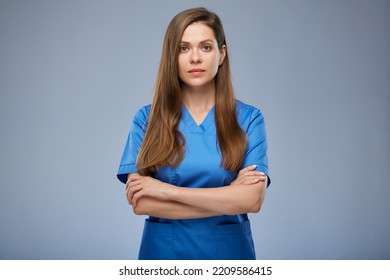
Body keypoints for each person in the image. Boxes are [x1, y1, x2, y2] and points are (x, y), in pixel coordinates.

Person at [117, 7, 270, 260]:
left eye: (206, 47)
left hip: (228, 259)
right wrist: (228, 197)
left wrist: (166, 191)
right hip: (163, 257)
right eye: (183, 48)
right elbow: (141, 203)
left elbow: (251, 200)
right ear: (171, 56)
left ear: (222, 54)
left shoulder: (249, 119)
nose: (195, 58)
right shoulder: (146, 119)